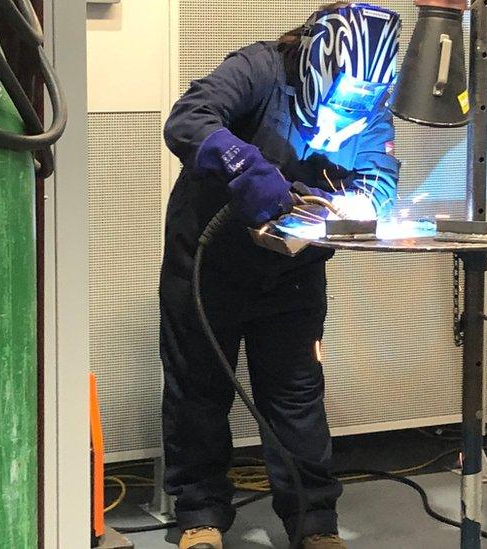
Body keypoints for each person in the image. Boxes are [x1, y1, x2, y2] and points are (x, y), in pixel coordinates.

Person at [159, 3, 401, 548]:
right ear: (317, 62)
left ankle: (314, 522)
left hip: (294, 271)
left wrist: (343, 208)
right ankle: (200, 515)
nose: (348, 112)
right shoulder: (259, 68)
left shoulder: (372, 104)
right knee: (199, 390)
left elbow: (381, 182)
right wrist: (245, 166)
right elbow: (188, 119)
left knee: (296, 396)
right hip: (206, 260)